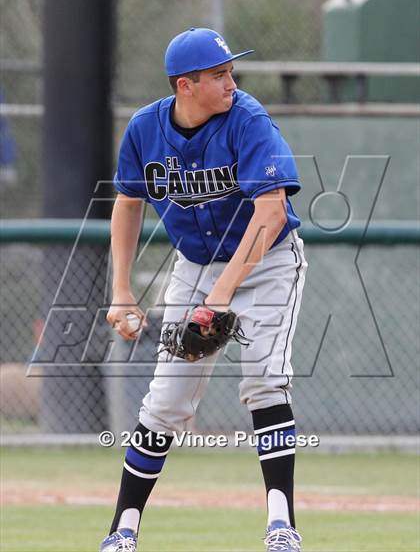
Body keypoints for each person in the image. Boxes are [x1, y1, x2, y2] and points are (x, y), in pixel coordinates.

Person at [100, 27, 307, 552]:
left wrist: (221, 297)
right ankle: (122, 531)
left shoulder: (248, 120)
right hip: (195, 266)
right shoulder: (146, 128)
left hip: (267, 263)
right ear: (185, 86)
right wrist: (122, 290)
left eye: (231, 72)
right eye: (219, 75)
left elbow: (272, 210)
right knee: (166, 400)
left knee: (264, 378)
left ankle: (281, 526)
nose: (231, 83)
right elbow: (127, 203)